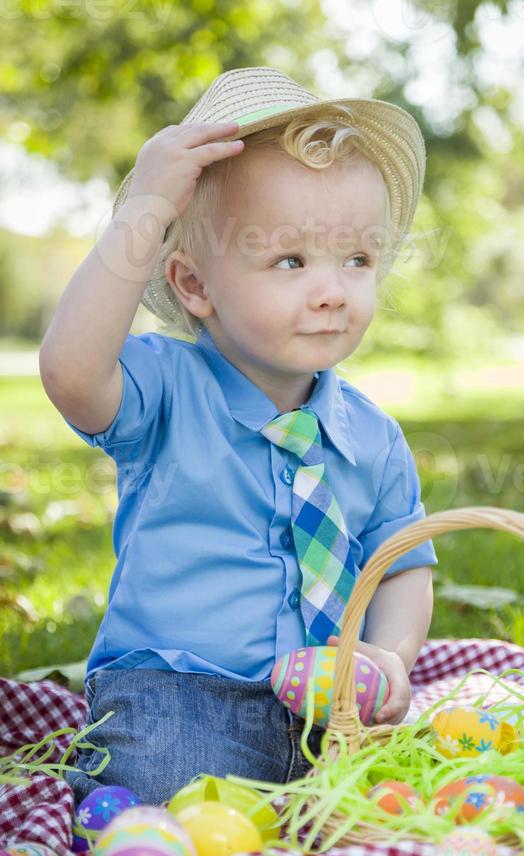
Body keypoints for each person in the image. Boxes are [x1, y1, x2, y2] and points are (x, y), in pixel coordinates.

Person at [39, 67, 437, 807]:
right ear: (194, 286)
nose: (332, 289)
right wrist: (148, 209)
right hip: (183, 692)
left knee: (412, 791)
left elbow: (401, 562)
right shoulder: (165, 392)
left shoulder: (372, 438)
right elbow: (69, 371)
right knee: (158, 778)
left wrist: (389, 657)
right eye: (291, 260)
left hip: (330, 709)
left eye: (358, 259)